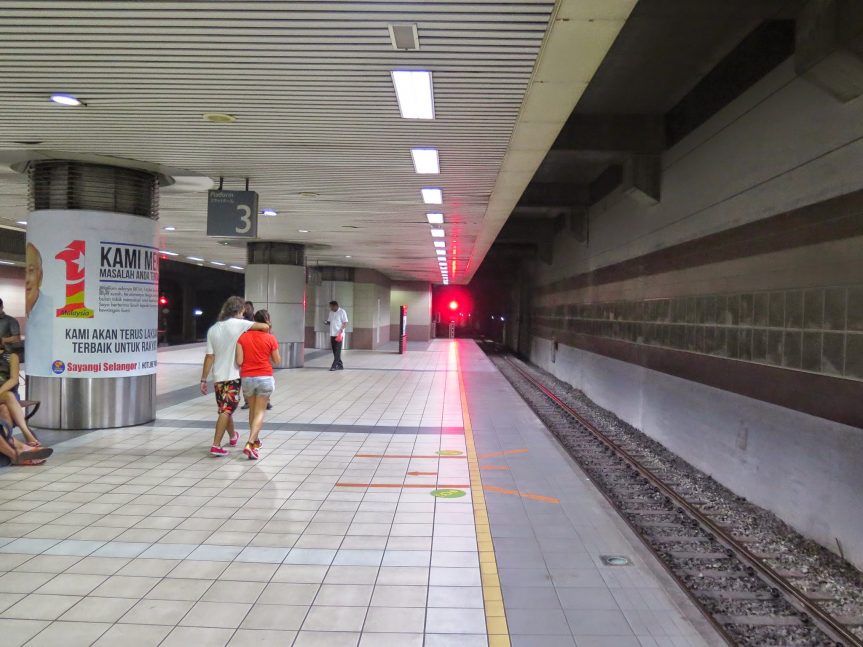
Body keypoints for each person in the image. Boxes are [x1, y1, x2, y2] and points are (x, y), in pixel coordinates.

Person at [200, 296, 271, 456]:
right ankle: (216, 445)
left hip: (218, 376)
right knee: (226, 409)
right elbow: (264, 327)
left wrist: (203, 379)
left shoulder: (213, 329)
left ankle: (233, 436)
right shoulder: (240, 324)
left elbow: (209, 356)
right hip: (233, 375)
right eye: (242, 312)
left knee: (224, 409)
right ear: (239, 310)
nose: (243, 315)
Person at [236, 310, 280, 460]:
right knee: (260, 412)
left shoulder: (242, 337)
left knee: (252, 411)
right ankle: (249, 443)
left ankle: (255, 442)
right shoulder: (270, 338)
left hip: (247, 378)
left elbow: (239, 361)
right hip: (265, 378)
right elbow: (277, 361)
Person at [0, 341, 41, 448]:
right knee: (7, 400)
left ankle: (10, 445)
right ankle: (25, 436)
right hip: (8, 396)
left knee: (5, 406)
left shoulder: (11, 357)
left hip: (9, 395)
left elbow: (14, 380)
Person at [24, 243, 54, 374]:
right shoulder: (27, 313)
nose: (26, 279)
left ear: (40, 277)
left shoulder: (54, 312)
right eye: (24, 272)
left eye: (31, 271)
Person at [240, 301, 271, 411]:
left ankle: (262, 401)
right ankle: (251, 401)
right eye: (246, 308)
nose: (247, 310)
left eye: (248, 308)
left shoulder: (252, 323)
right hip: (249, 354)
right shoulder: (242, 323)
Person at [326, 300, 348, 371]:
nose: (330, 308)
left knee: (338, 351)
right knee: (334, 351)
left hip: (339, 335)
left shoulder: (342, 312)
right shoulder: (331, 312)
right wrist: (327, 322)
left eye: (331, 306)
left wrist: (341, 329)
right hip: (332, 334)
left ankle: (334, 366)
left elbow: (345, 323)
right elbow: (329, 322)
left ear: (335, 306)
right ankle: (340, 365)